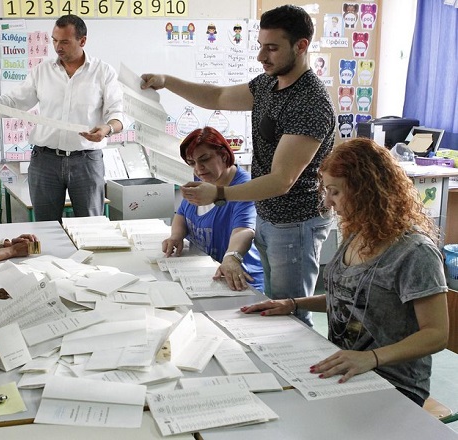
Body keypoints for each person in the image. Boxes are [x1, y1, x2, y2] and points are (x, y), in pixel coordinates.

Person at [141, 4, 336, 326]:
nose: (262, 56)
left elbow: (282, 180)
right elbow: (217, 97)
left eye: (272, 48)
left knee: (289, 309)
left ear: (301, 47)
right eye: (260, 46)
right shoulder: (268, 85)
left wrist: (218, 194)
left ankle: (298, 370)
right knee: (271, 304)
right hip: (270, 216)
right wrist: (167, 81)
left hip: (296, 223)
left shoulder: (310, 103)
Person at [241, 138, 449, 407]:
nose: (327, 202)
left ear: (367, 190)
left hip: (392, 381)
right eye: (326, 191)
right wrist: (292, 304)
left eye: (335, 192)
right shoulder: (356, 233)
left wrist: (370, 358)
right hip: (342, 365)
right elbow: (350, 299)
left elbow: (436, 334)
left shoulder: (415, 252)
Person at [0, 14, 124, 222]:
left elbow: (117, 114)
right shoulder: (41, 71)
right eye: (54, 40)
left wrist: (107, 129)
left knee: (91, 225)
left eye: (64, 42)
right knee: (45, 226)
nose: (58, 47)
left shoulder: (103, 72)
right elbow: (14, 102)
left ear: (82, 41)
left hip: (86, 161)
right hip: (45, 161)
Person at [162, 127, 264, 292]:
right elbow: (182, 213)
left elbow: (244, 230)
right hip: (208, 277)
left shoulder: (243, 188)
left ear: (224, 155)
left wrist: (232, 257)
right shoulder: (202, 178)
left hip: (239, 280)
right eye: (192, 163)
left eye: (205, 159)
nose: (198, 168)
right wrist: (176, 236)